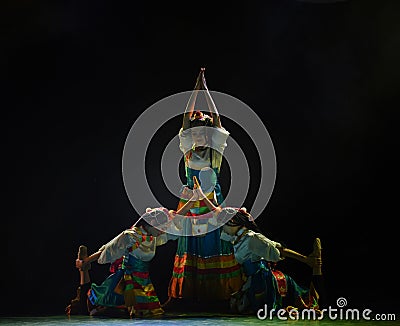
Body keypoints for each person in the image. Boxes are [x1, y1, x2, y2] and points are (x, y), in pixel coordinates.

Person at [167, 68, 243, 306]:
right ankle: (182, 295)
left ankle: (220, 294)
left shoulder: (215, 153)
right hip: (190, 200)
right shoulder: (188, 148)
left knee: (212, 242)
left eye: (203, 132)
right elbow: (185, 121)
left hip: (210, 200)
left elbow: (218, 121)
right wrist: (196, 89)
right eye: (195, 132)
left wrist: (206, 90)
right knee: (188, 245)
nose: (198, 135)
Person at [65, 203, 191, 318]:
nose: (163, 231)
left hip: (144, 281)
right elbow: (109, 249)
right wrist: (87, 260)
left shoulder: (152, 237)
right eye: (161, 228)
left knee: (149, 312)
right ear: (151, 223)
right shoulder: (131, 236)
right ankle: (88, 301)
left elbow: (175, 222)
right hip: (128, 279)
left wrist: (192, 201)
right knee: (114, 307)